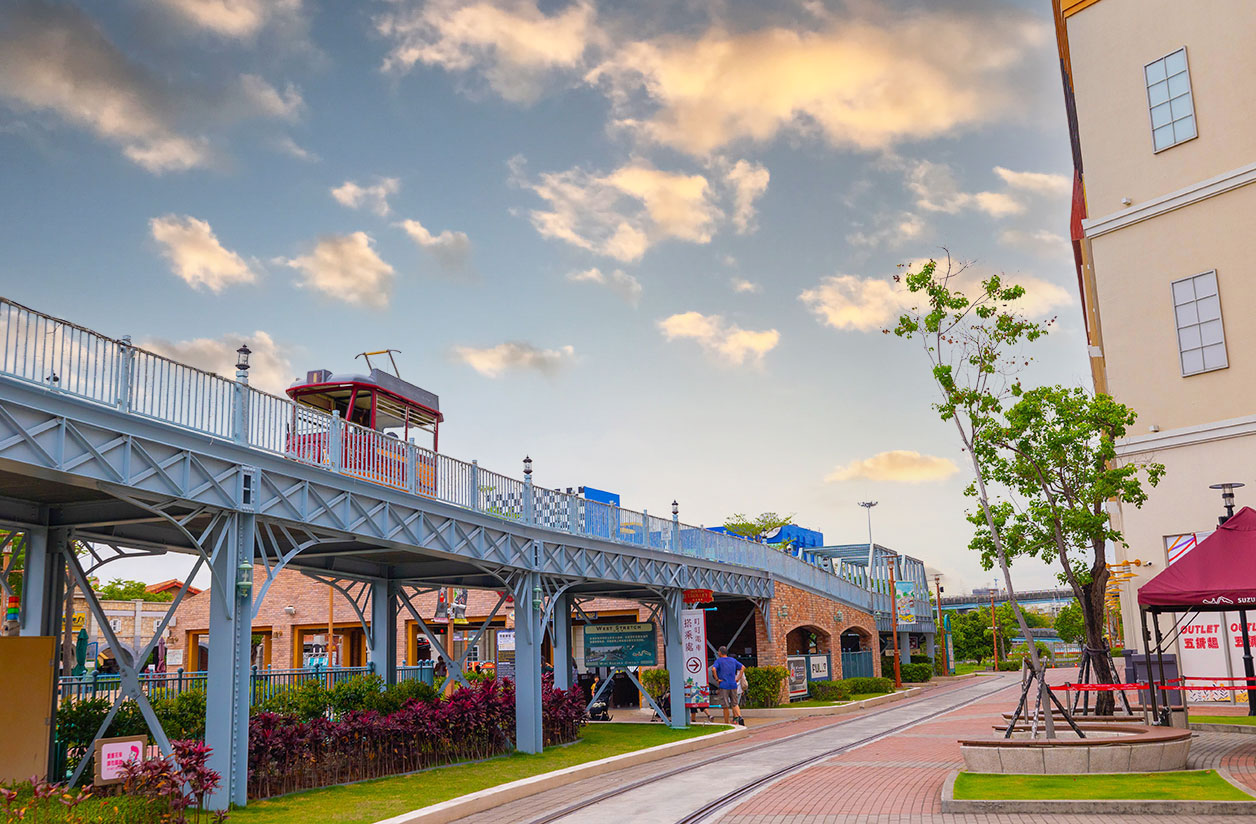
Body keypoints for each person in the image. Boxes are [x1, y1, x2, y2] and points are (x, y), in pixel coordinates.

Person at [709, 646, 745, 726]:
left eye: (718, 652)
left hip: (724, 685)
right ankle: (740, 717)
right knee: (735, 703)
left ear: (720, 653)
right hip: (733, 684)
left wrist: (717, 679)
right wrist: (738, 678)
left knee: (725, 706)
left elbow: (713, 669)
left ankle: (726, 723)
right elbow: (742, 667)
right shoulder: (733, 660)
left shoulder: (719, 661)